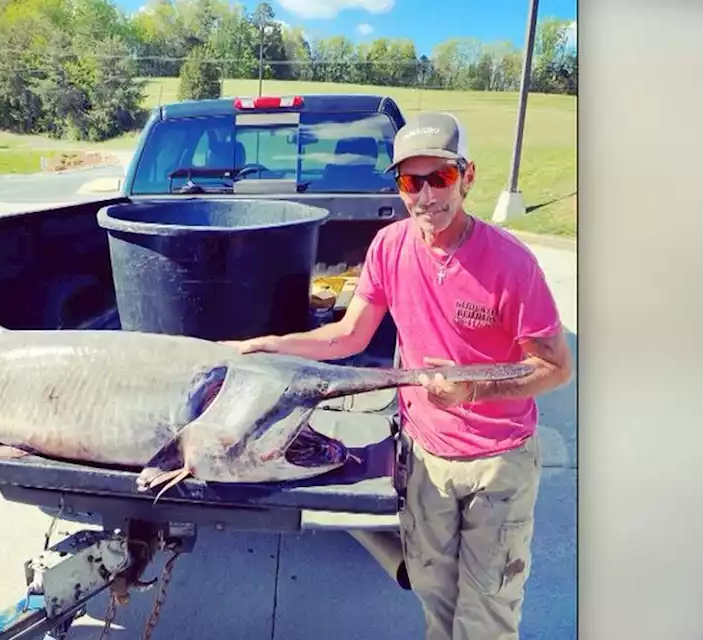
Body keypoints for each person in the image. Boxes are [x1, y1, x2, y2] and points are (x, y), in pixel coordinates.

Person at [224, 112, 573, 640]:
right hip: (425, 458)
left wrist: (472, 387)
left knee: (487, 619)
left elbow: (554, 367)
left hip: (498, 464)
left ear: (468, 176)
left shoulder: (511, 263)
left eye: (442, 178)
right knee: (436, 600)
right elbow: (348, 337)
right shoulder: (389, 247)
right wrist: (270, 344)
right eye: (413, 181)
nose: (427, 196)